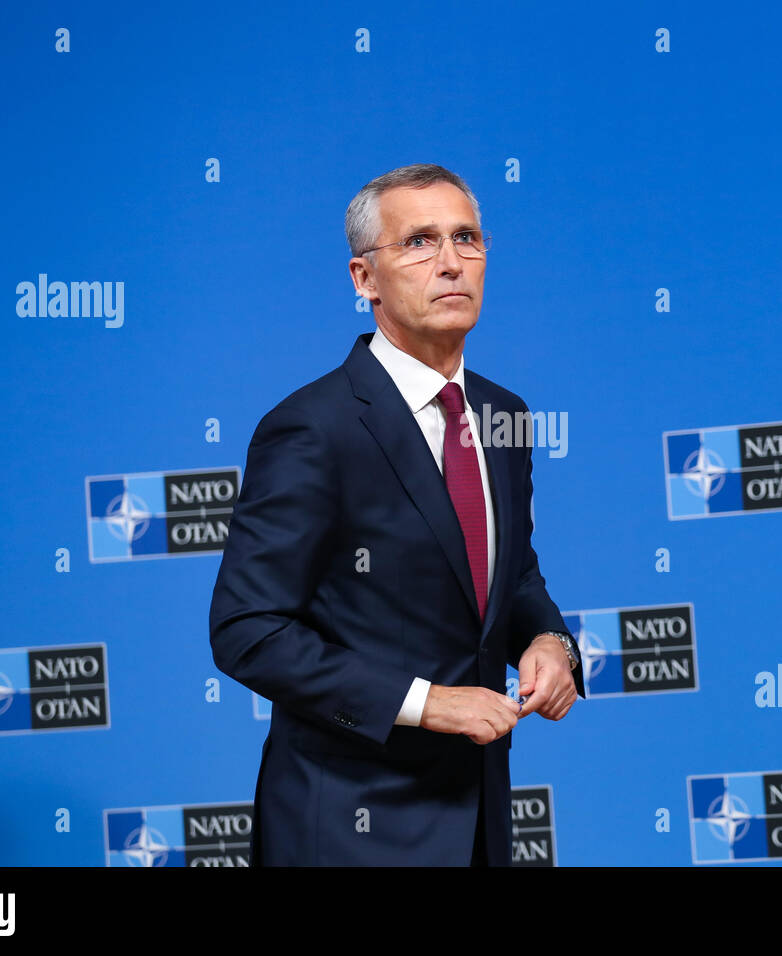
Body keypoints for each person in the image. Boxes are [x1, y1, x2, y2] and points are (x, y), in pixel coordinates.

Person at [208, 163, 583, 866]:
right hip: (348, 828)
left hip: (477, 826)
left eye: (466, 238)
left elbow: (511, 575)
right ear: (364, 280)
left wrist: (548, 642)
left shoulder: (506, 416)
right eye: (418, 242)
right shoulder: (312, 429)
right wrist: (427, 702)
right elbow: (246, 631)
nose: (449, 263)